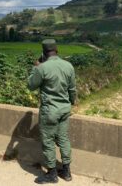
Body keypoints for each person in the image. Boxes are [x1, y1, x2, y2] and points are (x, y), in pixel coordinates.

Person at [28, 39, 76, 184]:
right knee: (63, 138)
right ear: (57, 50)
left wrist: (35, 68)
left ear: (43, 52)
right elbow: (72, 89)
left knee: (48, 141)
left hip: (50, 111)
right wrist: (72, 102)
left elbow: (31, 85)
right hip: (64, 110)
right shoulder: (68, 66)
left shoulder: (42, 68)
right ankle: (66, 171)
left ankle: (52, 174)